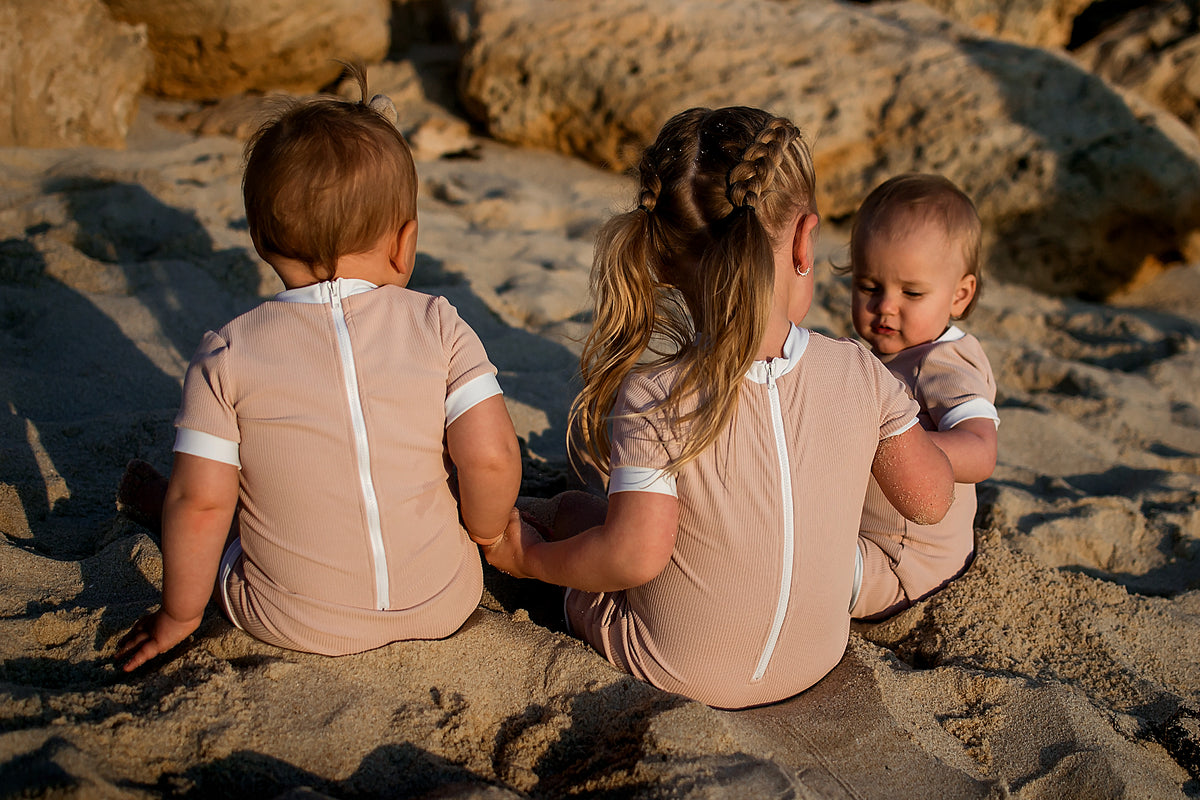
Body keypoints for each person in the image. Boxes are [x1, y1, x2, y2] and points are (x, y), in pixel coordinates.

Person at [483, 107, 955, 709]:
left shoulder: (655, 394)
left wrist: (531, 560)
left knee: (581, 510)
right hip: (818, 657)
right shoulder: (860, 371)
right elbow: (929, 499)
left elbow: (631, 555)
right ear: (805, 241)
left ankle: (521, 536)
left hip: (677, 670)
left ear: (659, 260)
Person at [115, 65, 521, 671]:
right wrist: (485, 534)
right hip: (443, 600)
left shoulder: (226, 353)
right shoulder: (438, 323)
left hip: (291, 618)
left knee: (205, 507)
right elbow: (490, 458)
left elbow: (201, 504)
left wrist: (179, 616)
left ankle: (153, 502)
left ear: (261, 239)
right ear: (405, 241)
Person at [843, 173, 999, 621]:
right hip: (867, 538)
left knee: (800, 565)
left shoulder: (943, 362)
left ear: (960, 295)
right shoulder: (887, 356)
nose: (886, 306)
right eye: (869, 287)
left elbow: (981, 450)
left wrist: (893, 445)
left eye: (911, 292)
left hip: (907, 566)